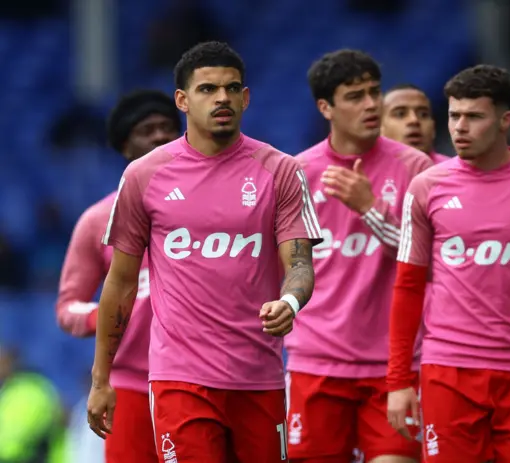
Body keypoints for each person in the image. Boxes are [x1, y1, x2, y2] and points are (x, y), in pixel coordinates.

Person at [86, 41, 322, 463]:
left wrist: (290, 300)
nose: (222, 99)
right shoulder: (144, 176)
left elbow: (300, 262)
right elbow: (119, 283)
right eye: (207, 89)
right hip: (180, 379)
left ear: (246, 98)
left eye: (232, 89)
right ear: (182, 99)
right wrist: (101, 379)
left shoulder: (281, 171)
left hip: (259, 377)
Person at [386, 65, 510, 462]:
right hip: (447, 373)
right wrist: (399, 381)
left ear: (505, 120)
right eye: (455, 115)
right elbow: (407, 286)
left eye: (474, 116)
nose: (459, 127)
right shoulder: (427, 188)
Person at [285, 49, 433, 463]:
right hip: (316, 362)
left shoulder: (414, 167)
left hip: (395, 366)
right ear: (325, 107)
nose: (371, 104)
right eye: (355, 96)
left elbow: (432, 262)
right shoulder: (297, 173)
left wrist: (369, 207)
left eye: (374, 92)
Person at [56, 89, 182, 462]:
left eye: (168, 128)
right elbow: (67, 308)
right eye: (148, 129)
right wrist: (106, 314)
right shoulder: (98, 220)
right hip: (130, 385)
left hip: (198, 377)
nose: (160, 136)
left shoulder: (211, 210)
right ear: (125, 146)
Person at [381, 84, 449, 164]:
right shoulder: (365, 170)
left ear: (433, 129)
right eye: (400, 114)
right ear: (379, 128)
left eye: (423, 114)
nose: (414, 120)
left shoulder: (454, 173)